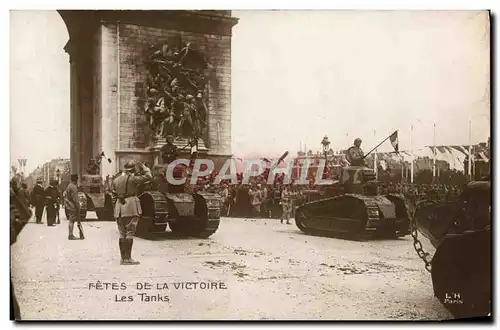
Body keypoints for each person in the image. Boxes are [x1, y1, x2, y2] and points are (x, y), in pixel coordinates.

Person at [112, 160, 152, 265]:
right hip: (130, 206)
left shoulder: (116, 180)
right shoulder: (133, 179)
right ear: (133, 170)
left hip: (119, 207)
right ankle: (128, 258)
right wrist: (144, 167)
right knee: (130, 232)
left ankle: (122, 258)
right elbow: (148, 177)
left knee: (122, 234)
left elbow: (114, 194)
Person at [64, 174, 83, 240]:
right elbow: (75, 199)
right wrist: (78, 206)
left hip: (69, 205)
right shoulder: (73, 187)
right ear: (76, 180)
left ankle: (71, 234)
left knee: (71, 220)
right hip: (73, 205)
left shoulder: (69, 186)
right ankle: (71, 235)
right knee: (72, 220)